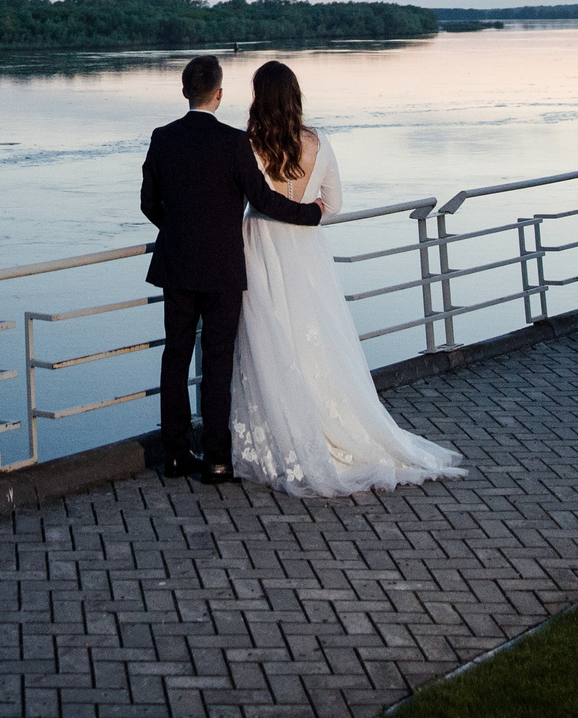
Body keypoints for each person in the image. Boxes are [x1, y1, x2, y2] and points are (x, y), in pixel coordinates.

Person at [227, 60, 466, 496]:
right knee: (313, 333)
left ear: (258, 97)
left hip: (259, 245)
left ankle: (280, 434)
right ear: (295, 95)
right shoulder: (318, 142)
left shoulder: (249, 145)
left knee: (269, 338)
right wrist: (312, 210)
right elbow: (333, 204)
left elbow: (241, 198)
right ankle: (332, 424)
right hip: (304, 248)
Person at [140, 54, 326, 483]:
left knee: (176, 356)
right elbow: (263, 199)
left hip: (177, 265)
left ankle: (174, 454)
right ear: (219, 95)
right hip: (223, 268)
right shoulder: (233, 142)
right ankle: (217, 461)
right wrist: (310, 215)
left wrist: (179, 230)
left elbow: (149, 203)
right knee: (218, 362)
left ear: (185, 91)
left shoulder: (162, 137)